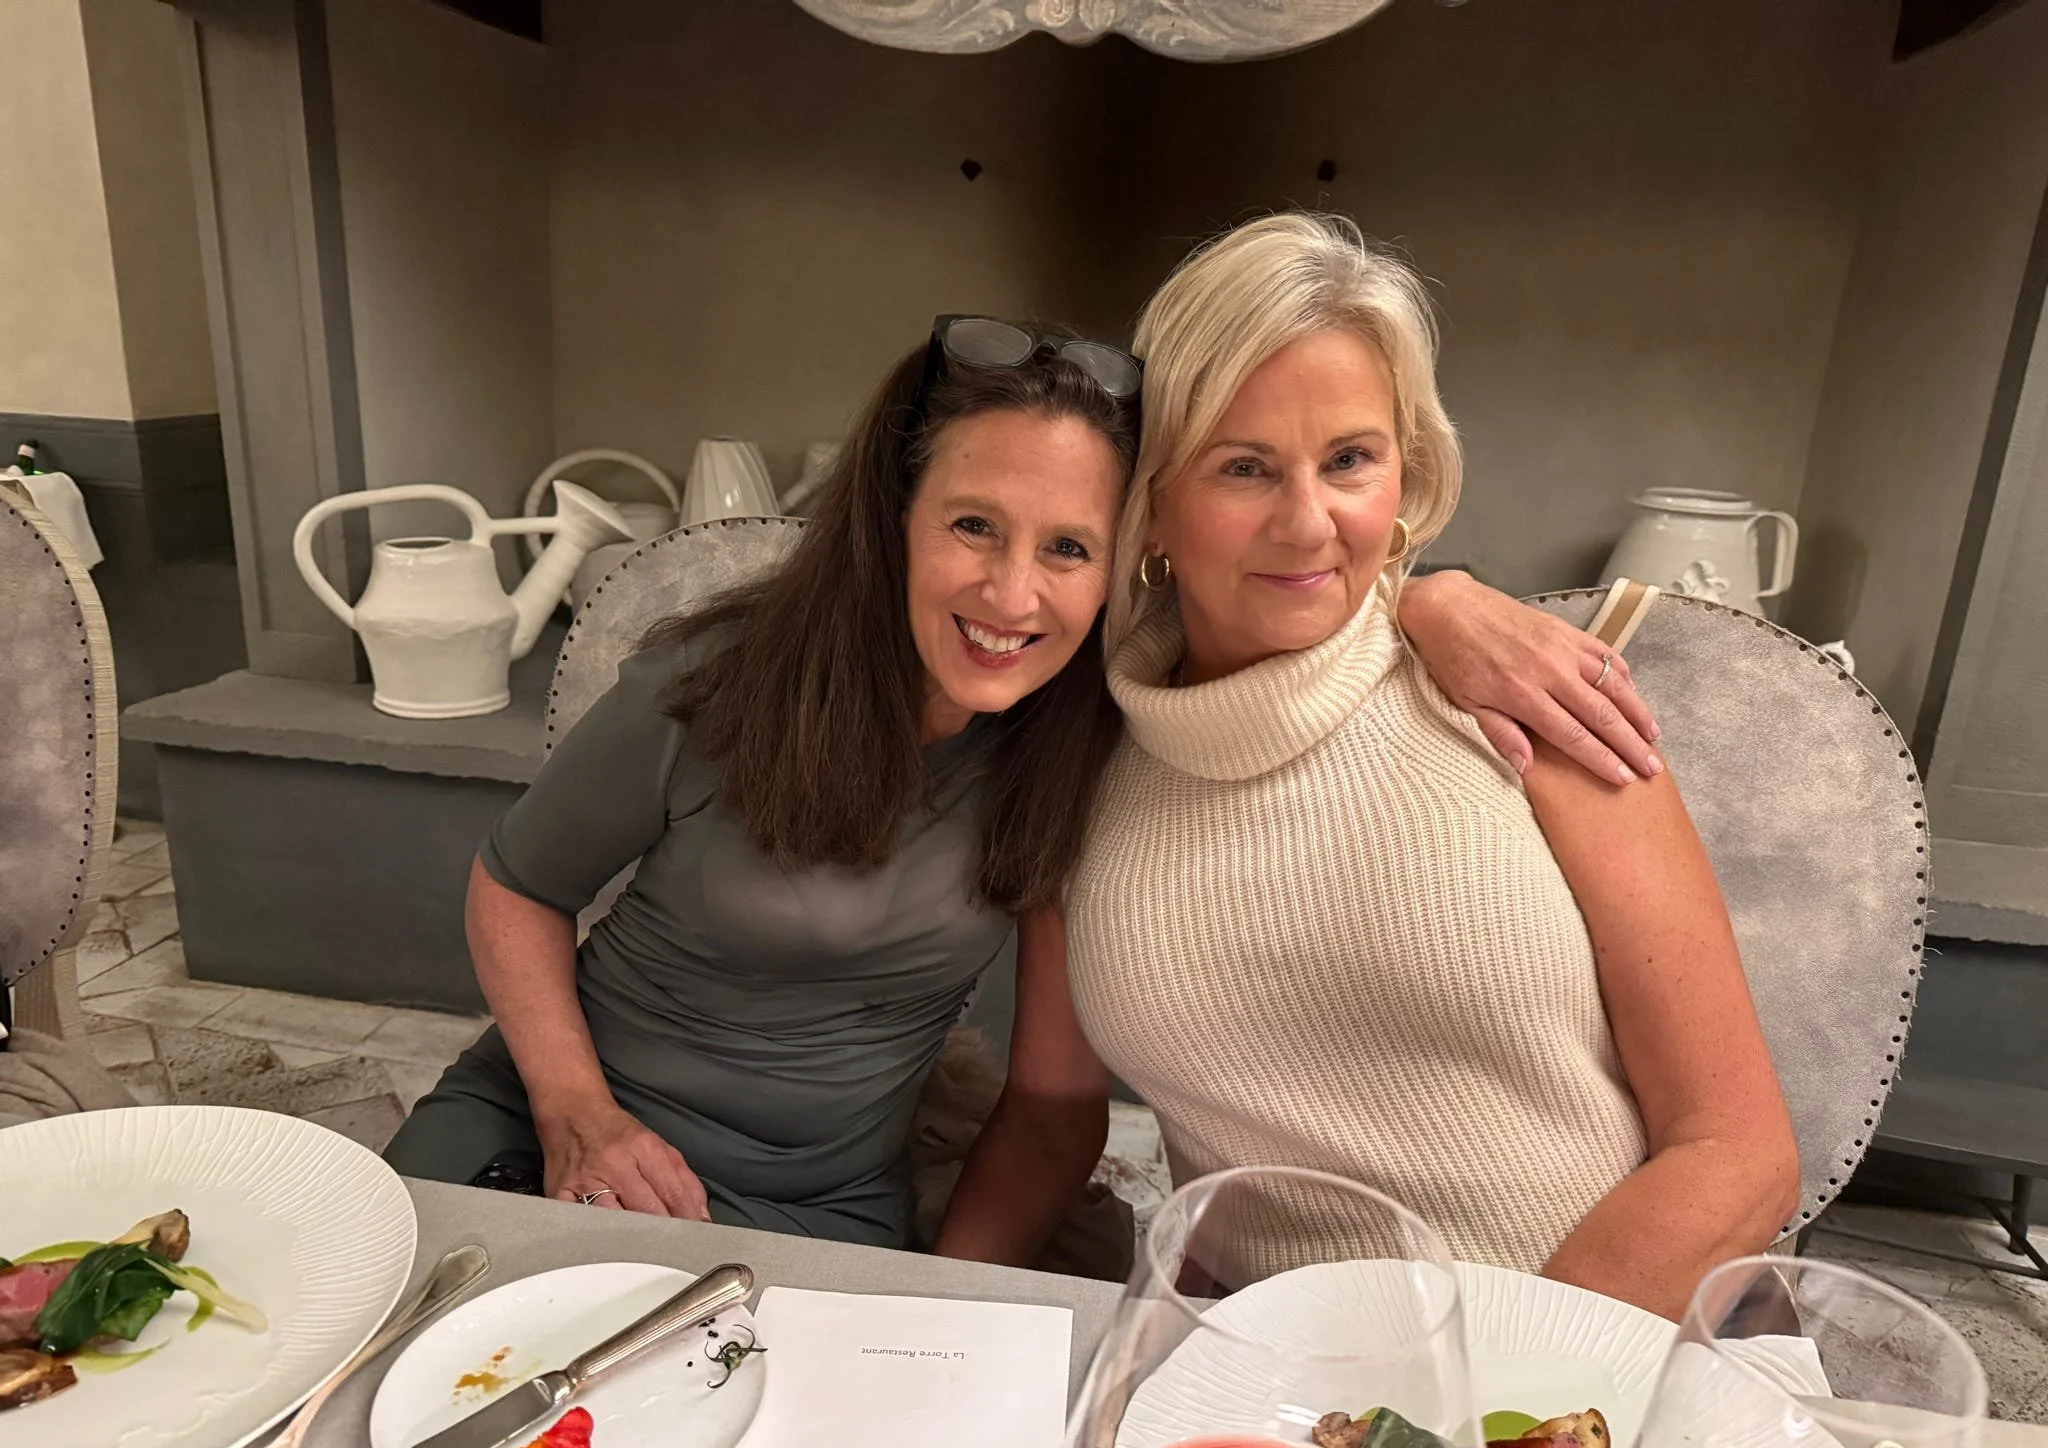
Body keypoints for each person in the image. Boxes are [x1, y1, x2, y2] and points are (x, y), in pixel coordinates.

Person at [385, 311, 1667, 1254]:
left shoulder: (1090, 745)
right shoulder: (712, 689)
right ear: (893, 518)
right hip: (554, 1124)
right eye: (971, 528)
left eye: (1068, 548)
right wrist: (574, 1111)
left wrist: (1435, 596)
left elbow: (1292, 583)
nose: (1012, 598)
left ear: (1126, 562)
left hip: (823, 1205)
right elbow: (515, 885)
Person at [1051, 214, 1799, 1318]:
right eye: (1243, 467)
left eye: (1348, 460)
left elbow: (1737, 1151)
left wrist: (1488, 1409)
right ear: (1154, 503)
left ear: (1403, 472)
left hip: (1608, 1340)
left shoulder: (1527, 703)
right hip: (1270, 1360)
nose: (1309, 523)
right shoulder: (1077, 741)